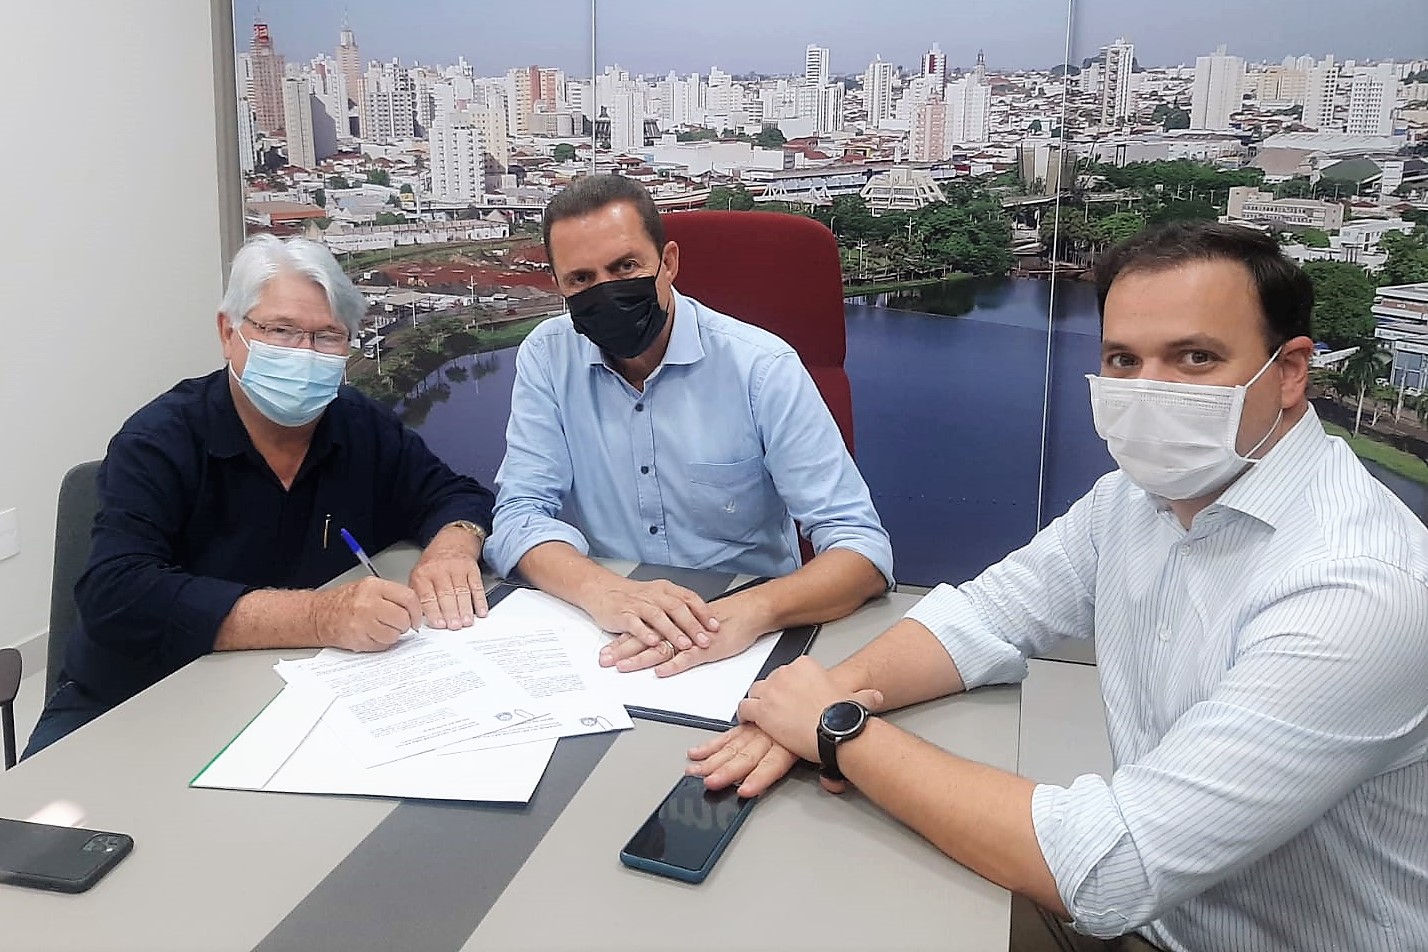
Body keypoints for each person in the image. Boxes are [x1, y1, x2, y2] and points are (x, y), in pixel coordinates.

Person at [689, 222, 1428, 951]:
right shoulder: (1131, 502)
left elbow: (1112, 869)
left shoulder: (1357, 588)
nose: (1149, 391)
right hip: (1154, 918)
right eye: (1123, 360)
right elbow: (986, 617)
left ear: (1292, 372)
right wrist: (823, 697)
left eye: (1195, 358)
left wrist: (836, 732)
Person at [25, 234, 496, 757]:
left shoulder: (357, 422)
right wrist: (320, 616)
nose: (305, 354)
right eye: (282, 331)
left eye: (327, 337)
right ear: (230, 333)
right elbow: (118, 595)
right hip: (139, 697)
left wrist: (454, 545)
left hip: (294, 697)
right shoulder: (160, 437)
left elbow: (453, 493)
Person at [485, 174, 893, 677]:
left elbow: (861, 549)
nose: (605, 292)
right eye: (581, 280)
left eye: (625, 267)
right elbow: (519, 513)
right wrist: (601, 590)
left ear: (669, 262)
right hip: (614, 630)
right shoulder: (548, 358)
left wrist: (747, 613)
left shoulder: (761, 367)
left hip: (752, 635)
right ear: (559, 286)